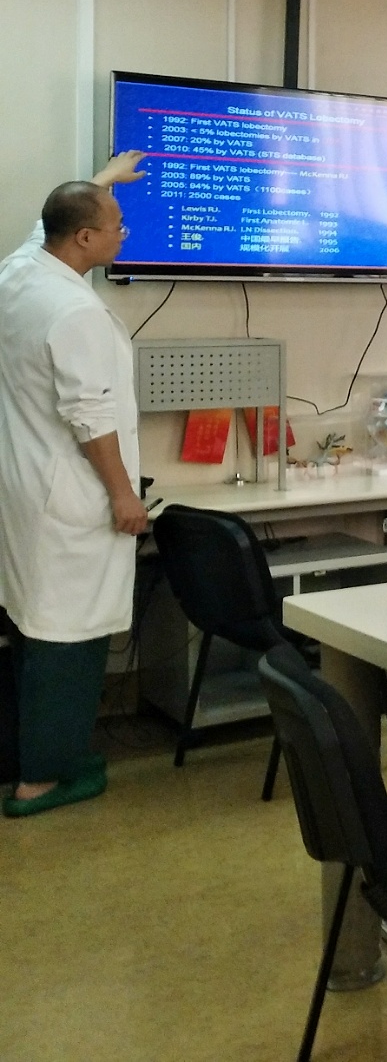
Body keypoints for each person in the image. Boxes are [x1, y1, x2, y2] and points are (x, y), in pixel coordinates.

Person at [0, 153, 150, 818]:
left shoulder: (20, 274)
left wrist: (103, 180)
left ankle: (35, 756)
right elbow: (90, 417)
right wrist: (123, 495)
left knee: (33, 631)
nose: (123, 233)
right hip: (73, 502)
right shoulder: (75, 312)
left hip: (28, 490)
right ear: (85, 238)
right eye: (115, 224)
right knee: (70, 641)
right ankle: (40, 782)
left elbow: (45, 229)